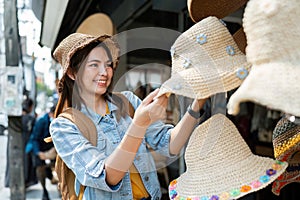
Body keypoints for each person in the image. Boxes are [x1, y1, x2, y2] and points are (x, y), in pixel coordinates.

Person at [49, 33, 207, 200]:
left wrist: (198, 102)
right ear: (72, 73)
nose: (104, 72)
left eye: (108, 65)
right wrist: (139, 124)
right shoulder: (64, 126)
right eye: (94, 65)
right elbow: (108, 176)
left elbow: (169, 145)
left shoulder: (128, 101)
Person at [26, 105, 57, 200]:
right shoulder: (41, 122)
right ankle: (44, 191)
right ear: (51, 114)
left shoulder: (59, 123)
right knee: (40, 169)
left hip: (52, 150)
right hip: (39, 148)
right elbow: (35, 139)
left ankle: (54, 180)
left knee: (56, 168)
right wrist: (39, 153)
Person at [22, 98, 38, 188]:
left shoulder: (16, 119)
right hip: (28, 144)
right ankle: (27, 181)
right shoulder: (31, 119)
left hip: (20, 146)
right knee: (27, 163)